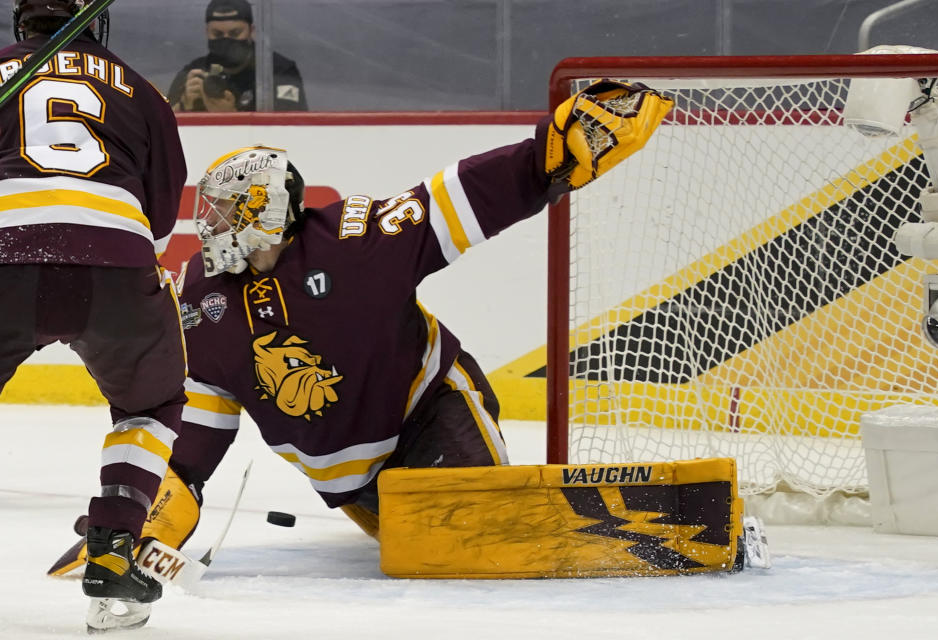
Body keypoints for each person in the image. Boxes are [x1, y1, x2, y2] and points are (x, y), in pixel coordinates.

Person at [50, 80, 671, 565]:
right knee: (433, 554)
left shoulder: (356, 238)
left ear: (267, 206)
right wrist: (138, 527)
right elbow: (193, 449)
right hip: (352, 487)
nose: (208, 226)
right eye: (208, 212)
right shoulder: (201, 303)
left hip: (427, 414)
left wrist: (549, 158)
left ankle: (630, 530)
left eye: (225, 211)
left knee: (487, 540)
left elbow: (458, 197)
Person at [0, 0, 188, 632]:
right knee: (151, 404)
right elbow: (162, 215)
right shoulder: (140, 87)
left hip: (4, 256)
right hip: (115, 259)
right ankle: (113, 552)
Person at [167, 0, 307, 113]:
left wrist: (231, 116)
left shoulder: (276, 71)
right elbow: (160, 128)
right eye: (217, 34)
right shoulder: (194, 73)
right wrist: (184, 106)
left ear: (251, 31)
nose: (226, 40)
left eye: (235, 33)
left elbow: (291, 132)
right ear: (206, 32)